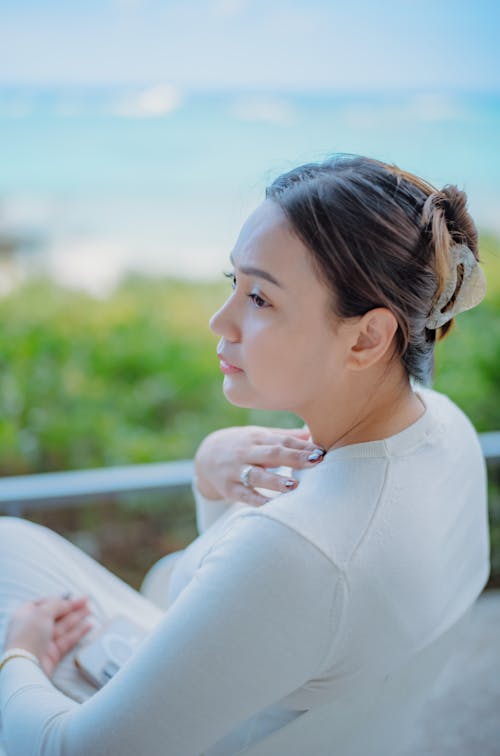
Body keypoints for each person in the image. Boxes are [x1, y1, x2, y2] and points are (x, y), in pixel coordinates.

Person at [0, 154, 490, 756]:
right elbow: (241, 611)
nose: (219, 321)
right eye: (234, 282)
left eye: (261, 299)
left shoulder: (300, 551)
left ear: (367, 337)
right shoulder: (445, 430)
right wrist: (213, 487)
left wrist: (17, 655)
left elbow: (72, 749)